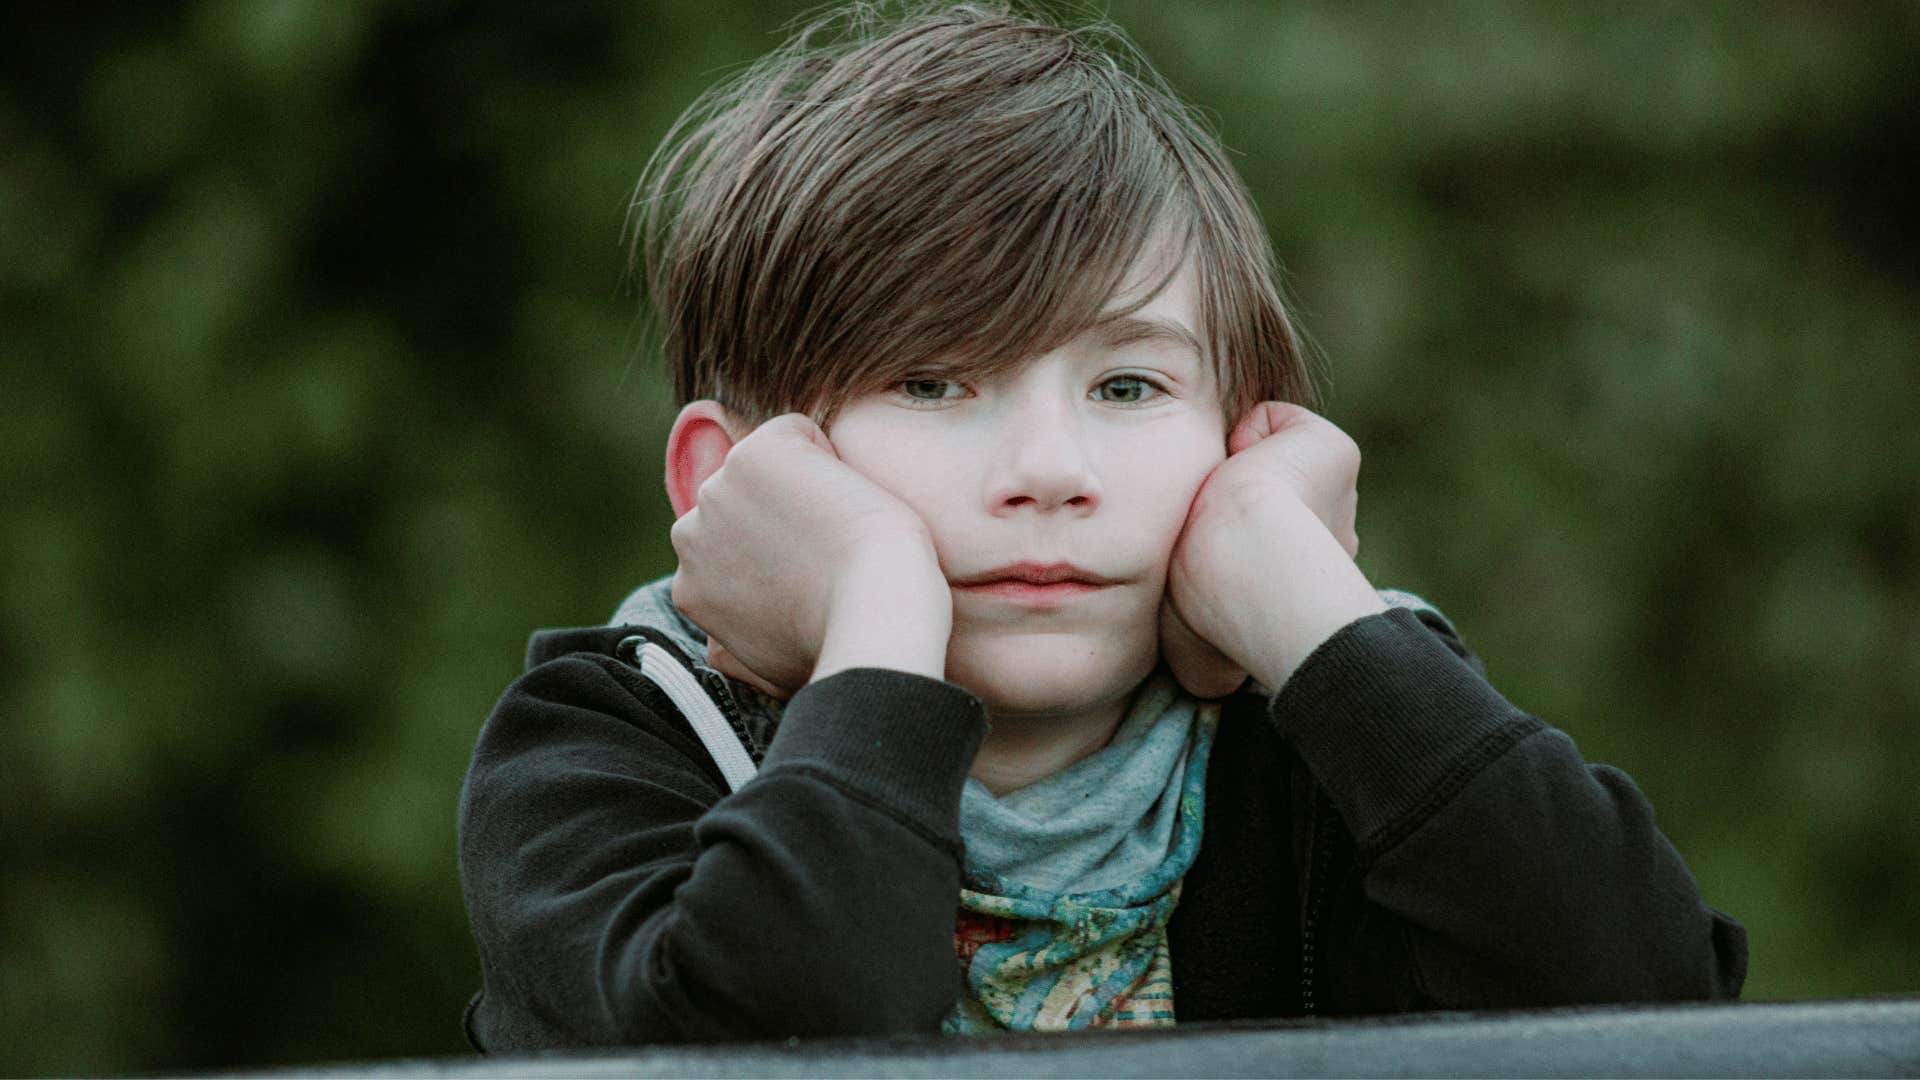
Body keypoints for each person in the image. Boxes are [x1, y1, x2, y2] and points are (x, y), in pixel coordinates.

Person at [456, 1, 1746, 1051]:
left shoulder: (1342, 731)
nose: (1049, 468)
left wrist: (1310, 604)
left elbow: (1663, 1013)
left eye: (1128, 387)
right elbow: (786, 1034)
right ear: (730, 479)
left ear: (1243, 447)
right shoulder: (608, 751)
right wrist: (880, 601)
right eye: (933, 382)